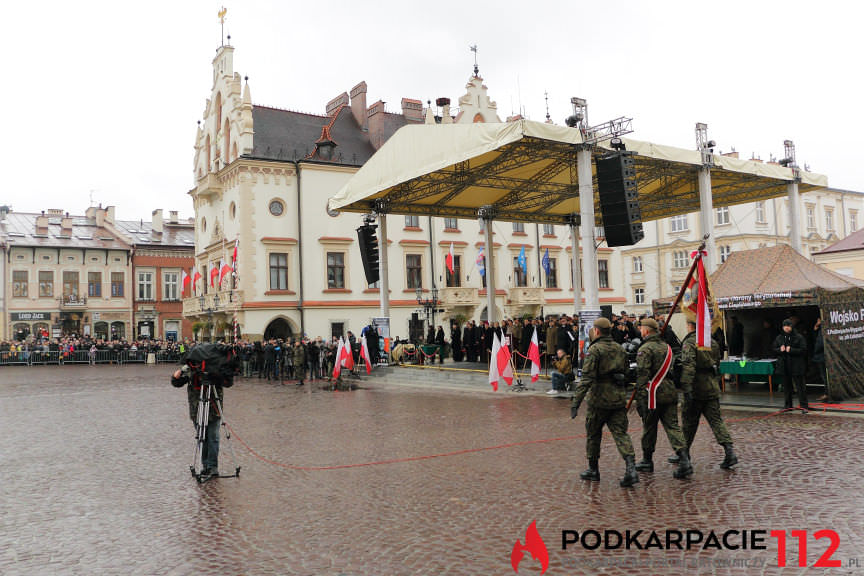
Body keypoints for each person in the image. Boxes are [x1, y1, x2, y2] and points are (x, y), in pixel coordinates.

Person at [571, 317, 639, 487]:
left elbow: (586, 379)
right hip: (617, 398)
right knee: (621, 434)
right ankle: (631, 468)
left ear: (598, 331)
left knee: (593, 434)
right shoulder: (619, 348)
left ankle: (593, 470)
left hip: (599, 399)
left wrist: (576, 402)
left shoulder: (595, 350)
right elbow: (626, 372)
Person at [675, 317, 738, 469]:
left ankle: (684, 454)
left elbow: (688, 366)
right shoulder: (713, 342)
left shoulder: (690, 343)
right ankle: (729, 451)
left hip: (696, 387)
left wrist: (687, 388)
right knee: (716, 421)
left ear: (690, 326)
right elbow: (716, 364)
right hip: (711, 386)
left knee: (689, 423)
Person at [633, 318, 692, 478]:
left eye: (642, 328)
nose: (640, 330)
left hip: (652, 393)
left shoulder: (645, 349)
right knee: (673, 427)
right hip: (669, 390)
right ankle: (684, 459)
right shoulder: (667, 347)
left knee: (649, 427)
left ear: (646, 330)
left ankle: (647, 460)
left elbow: (642, 374)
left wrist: (639, 398)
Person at [171, 355, 235, 478]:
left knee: (213, 437)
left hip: (214, 408)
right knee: (202, 437)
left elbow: (228, 383)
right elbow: (177, 382)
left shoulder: (216, 368)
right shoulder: (191, 368)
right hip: (197, 408)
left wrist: (219, 375)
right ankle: (205, 466)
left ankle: (212, 466)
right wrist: (176, 376)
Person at [773, 319, 809, 412]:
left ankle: (804, 406)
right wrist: (779, 349)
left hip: (796, 365)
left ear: (792, 327)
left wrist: (792, 350)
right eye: (785, 326)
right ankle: (788, 405)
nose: (787, 327)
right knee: (787, 387)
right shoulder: (779, 337)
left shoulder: (799, 337)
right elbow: (774, 349)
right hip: (784, 366)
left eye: (788, 326)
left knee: (800, 387)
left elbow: (804, 350)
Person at [812, 318, 828, 401]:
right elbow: (815, 338)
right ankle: (826, 393)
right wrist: (816, 327)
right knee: (823, 376)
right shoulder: (820, 329)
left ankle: (827, 393)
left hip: (822, 356)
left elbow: (819, 343)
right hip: (820, 356)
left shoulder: (824, 329)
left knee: (825, 376)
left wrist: (816, 351)